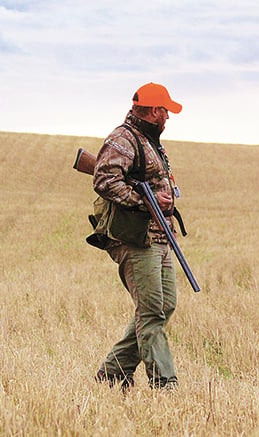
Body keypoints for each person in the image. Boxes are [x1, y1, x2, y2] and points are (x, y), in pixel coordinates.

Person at [93, 82, 183, 390]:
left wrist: (165, 199)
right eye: (166, 112)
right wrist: (144, 200)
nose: (168, 118)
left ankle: (112, 372)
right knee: (151, 311)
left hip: (160, 236)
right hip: (136, 239)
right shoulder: (124, 138)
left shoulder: (149, 141)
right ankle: (165, 382)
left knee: (165, 305)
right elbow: (104, 179)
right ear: (155, 110)